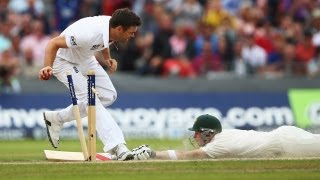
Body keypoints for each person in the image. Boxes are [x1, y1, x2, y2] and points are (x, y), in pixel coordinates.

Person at [38, 8, 142, 161]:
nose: (133, 35)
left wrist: (107, 57)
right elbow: (53, 43)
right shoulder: (88, 34)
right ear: (119, 29)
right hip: (63, 61)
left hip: (85, 58)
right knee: (90, 99)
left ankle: (57, 118)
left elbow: (104, 41)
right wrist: (47, 66)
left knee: (108, 96)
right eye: (131, 32)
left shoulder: (112, 26)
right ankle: (117, 146)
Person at [132, 114, 320, 160]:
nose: (195, 135)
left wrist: (153, 154)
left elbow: (187, 155)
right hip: (284, 136)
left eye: (198, 132)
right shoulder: (222, 136)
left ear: (208, 133)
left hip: (286, 142)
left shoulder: (219, 145)